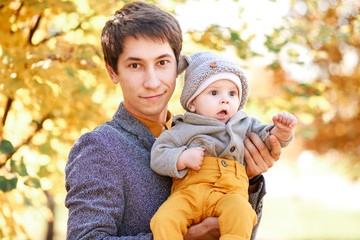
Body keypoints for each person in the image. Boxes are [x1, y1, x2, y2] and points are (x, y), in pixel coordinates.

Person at [65, 2, 283, 239]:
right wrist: (188, 237)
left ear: (177, 65)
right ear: (113, 72)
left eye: (162, 63)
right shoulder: (99, 148)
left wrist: (247, 179)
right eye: (135, 65)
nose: (152, 82)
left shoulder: (208, 131)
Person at [150, 51, 297, 240]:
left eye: (232, 93)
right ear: (192, 102)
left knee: (241, 212)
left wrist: (282, 132)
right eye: (214, 92)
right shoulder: (183, 128)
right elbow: (158, 155)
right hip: (188, 194)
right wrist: (181, 158)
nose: (225, 99)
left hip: (229, 193)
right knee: (164, 219)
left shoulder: (244, 124)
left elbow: (267, 139)